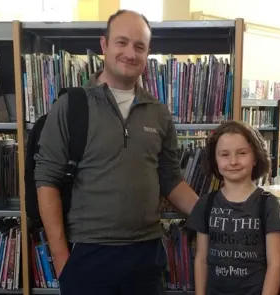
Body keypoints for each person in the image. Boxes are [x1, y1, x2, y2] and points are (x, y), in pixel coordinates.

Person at [34, 9, 199, 295]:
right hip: (88, 254)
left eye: (140, 46)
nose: (130, 53)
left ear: (147, 53)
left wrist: (218, 215)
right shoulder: (72, 106)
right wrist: (62, 258)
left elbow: (171, 180)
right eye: (121, 42)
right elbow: (46, 180)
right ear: (104, 45)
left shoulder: (159, 114)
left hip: (146, 256)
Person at [186, 121, 280, 295]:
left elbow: (276, 263)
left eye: (242, 153)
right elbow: (201, 259)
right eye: (224, 154)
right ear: (214, 159)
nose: (233, 161)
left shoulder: (267, 203)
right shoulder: (206, 203)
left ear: (255, 157)